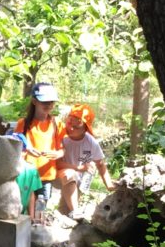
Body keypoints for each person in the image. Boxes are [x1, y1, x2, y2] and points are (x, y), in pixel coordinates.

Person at [15, 82, 65, 223]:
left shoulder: (57, 124)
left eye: (51, 101)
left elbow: (63, 148)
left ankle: (37, 236)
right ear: (34, 101)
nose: (48, 104)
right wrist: (27, 148)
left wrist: (58, 154)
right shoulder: (23, 124)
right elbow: (15, 146)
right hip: (27, 175)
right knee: (24, 210)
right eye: (44, 101)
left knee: (41, 209)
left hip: (46, 174)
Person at [56, 104, 114, 217]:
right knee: (70, 175)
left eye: (76, 127)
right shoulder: (61, 136)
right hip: (61, 175)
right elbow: (57, 163)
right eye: (69, 123)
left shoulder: (91, 142)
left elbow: (100, 164)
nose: (71, 128)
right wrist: (78, 168)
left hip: (80, 180)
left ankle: (68, 219)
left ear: (85, 129)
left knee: (66, 208)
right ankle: (75, 212)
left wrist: (109, 184)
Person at [8, 133, 44, 223]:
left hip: (22, 214)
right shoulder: (3, 168)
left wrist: (30, 217)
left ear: (24, 151)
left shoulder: (31, 170)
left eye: (14, 147)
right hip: (4, 213)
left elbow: (31, 194)